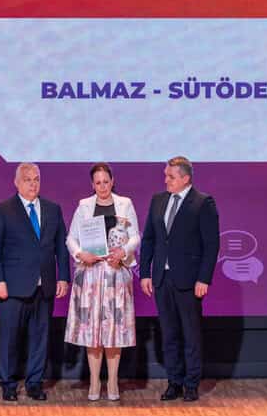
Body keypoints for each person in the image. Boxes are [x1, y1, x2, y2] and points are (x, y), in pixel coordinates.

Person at [138, 155, 219, 402]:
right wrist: (145, 273)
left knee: (191, 335)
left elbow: (211, 245)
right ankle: (174, 382)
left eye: (171, 176)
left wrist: (204, 279)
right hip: (162, 279)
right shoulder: (158, 200)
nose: (166, 180)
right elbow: (149, 239)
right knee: (169, 333)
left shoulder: (203, 203)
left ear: (185, 178)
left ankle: (191, 384)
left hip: (189, 281)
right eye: (166, 175)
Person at [0, 162, 69, 401]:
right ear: (16, 182)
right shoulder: (2, 210)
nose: (33, 184)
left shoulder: (53, 209)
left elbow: (61, 248)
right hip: (13, 287)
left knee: (40, 338)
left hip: (45, 286)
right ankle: (9, 384)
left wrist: (63, 276)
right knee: (10, 339)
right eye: (27, 179)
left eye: (36, 179)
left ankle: (34, 383)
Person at [65, 162, 139, 401]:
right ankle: (95, 381)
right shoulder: (84, 206)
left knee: (114, 330)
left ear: (112, 181)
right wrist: (80, 254)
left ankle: (113, 381)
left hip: (116, 273)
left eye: (106, 182)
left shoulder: (125, 204)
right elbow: (71, 239)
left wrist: (123, 252)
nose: (102, 186)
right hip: (90, 275)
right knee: (92, 330)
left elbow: (135, 237)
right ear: (92, 184)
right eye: (98, 183)